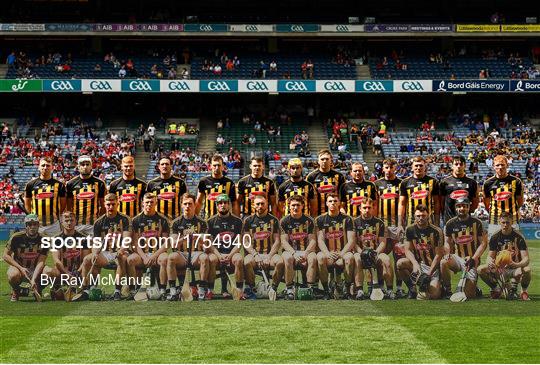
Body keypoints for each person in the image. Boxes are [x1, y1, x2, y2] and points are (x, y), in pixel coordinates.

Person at [79, 193, 132, 301]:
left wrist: (121, 250)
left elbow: (126, 240)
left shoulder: (125, 219)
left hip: (120, 252)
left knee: (122, 257)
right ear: (104, 204)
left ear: (118, 203)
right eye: (108, 204)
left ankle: (117, 291)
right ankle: (86, 289)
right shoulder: (99, 222)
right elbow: (96, 242)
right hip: (106, 253)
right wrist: (95, 252)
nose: (111, 207)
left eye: (113, 204)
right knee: (87, 259)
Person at [478, 212, 531, 301]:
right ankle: (496, 289)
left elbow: (526, 259)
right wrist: (490, 263)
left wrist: (517, 265)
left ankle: (523, 291)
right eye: (503, 222)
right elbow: (490, 256)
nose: (505, 225)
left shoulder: (519, 237)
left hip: (515, 269)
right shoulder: (495, 237)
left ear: (512, 222)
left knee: (527, 269)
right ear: (499, 222)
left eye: (507, 222)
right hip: (500, 269)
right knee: (480, 269)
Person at [441, 198, 487, 299]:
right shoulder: (450, 223)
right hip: (458, 259)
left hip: (472, 261)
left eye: (465, 206)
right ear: (455, 208)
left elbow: (483, 243)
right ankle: (447, 290)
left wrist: (474, 258)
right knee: (444, 261)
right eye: (459, 206)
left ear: (469, 207)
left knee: (469, 296)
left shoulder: (477, 222)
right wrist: (448, 253)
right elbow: (447, 242)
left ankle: (475, 288)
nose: (462, 208)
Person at [127, 193, 170, 300]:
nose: (149, 204)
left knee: (165, 258)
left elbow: (166, 244)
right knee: (131, 259)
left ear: (156, 203)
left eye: (151, 202)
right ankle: (134, 289)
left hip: (157, 254)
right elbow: (135, 243)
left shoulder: (163, 220)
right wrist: (144, 257)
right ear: (142, 203)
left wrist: (154, 256)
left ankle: (162, 290)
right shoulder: (135, 220)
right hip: (142, 254)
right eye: (147, 202)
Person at [397, 205, 444, 300]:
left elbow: (439, 255)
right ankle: (412, 289)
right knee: (400, 263)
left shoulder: (436, 231)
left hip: (433, 268)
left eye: (423, 215)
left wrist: (429, 274)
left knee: (434, 295)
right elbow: (407, 250)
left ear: (428, 216)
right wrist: (415, 264)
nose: (421, 218)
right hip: (419, 265)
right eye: (418, 216)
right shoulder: (410, 229)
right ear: (414, 216)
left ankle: (441, 287)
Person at [168, 193, 210, 301]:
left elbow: (206, 244)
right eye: (185, 204)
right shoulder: (175, 223)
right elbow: (174, 244)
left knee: (205, 258)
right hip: (182, 254)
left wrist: (195, 236)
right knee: (171, 257)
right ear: (181, 205)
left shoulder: (202, 222)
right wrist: (185, 238)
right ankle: (173, 291)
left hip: (196, 253)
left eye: (190, 204)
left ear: (195, 205)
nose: (187, 206)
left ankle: (201, 289)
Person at [374, 158, 405, 297]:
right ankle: (381, 285)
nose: (388, 170)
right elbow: (374, 205)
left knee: (398, 257)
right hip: (382, 226)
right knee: (381, 256)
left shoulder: (401, 184)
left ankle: (398, 287)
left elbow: (404, 204)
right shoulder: (376, 184)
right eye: (386, 167)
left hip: (397, 226)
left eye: (391, 167)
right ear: (382, 168)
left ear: (395, 169)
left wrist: (401, 225)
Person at [242, 196, 283, 300]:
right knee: (246, 262)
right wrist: (255, 255)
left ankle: (273, 288)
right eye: (257, 204)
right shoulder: (248, 220)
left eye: (262, 204)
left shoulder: (274, 220)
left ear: (267, 204)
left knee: (280, 262)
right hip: (254, 254)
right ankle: (252, 289)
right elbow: (246, 241)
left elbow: (277, 241)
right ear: (253, 205)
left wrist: (269, 257)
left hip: (270, 254)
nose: (260, 206)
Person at [315, 193, 355, 299]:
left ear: (339, 203)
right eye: (330, 201)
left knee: (350, 257)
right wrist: (328, 254)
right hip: (328, 254)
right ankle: (326, 290)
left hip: (343, 253)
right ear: (327, 203)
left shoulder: (347, 219)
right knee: (319, 257)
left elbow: (351, 241)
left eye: (335, 201)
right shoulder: (320, 220)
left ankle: (346, 288)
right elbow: (320, 240)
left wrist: (341, 254)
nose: (333, 203)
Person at [354, 198, 394, 299]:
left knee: (387, 259)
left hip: (376, 252)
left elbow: (383, 242)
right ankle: (360, 290)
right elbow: (353, 242)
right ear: (360, 208)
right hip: (360, 252)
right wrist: (362, 253)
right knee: (357, 258)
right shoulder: (354, 222)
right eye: (364, 208)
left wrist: (375, 252)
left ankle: (389, 290)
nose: (366, 210)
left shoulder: (379, 223)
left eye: (369, 207)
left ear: (373, 208)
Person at [42, 211, 89, 299]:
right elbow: (56, 261)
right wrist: (67, 274)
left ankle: (86, 289)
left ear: (76, 221)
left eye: (71, 220)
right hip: (62, 273)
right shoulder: (56, 239)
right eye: (66, 220)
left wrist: (77, 272)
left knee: (93, 269)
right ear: (61, 222)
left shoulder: (83, 238)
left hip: (78, 273)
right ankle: (57, 286)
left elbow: (85, 259)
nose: (69, 223)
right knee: (48, 272)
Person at [207, 194, 245, 299]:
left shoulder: (238, 221)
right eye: (220, 203)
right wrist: (219, 255)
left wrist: (230, 255)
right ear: (216, 205)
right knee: (211, 259)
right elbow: (209, 244)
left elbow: (238, 243)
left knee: (239, 259)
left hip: (232, 253)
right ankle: (210, 290)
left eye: (225, 203)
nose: (223, 205)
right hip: (217, 253)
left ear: (229, 205)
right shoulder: (210, 222)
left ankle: (239, 290)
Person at [280, 195, 318, 295]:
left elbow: (313, 241)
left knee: (313, 258)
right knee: (288, 258)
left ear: (302, 206)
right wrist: (294, 253)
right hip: (290, 251)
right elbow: (283, 242)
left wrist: (305, 253)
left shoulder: (309, 220)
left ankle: (310, 289)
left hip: (306, 250)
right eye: (293, 205)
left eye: (298, 205)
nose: (295, 207)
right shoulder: (284, 221)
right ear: (289, 206)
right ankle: (289, 289)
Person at [3, 214, 47, 301]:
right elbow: (5, 255)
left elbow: (41, 261)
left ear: (38, 225)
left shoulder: (44, 239)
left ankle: (38, 288)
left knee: (50, 272)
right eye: (29, 224)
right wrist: (21, 268)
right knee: (13, 275)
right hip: (19, 268)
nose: (32, 227)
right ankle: (16, 290)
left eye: (35, 224)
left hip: (35, 269)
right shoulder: (16, 237)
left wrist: (33, 279)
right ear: (25, 226)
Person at [483, 155, 523, 238]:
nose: (500, 167)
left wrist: (512, 211)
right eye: (497, 165)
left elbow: (520, 201)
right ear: (493, 166)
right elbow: (486, 203)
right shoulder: (488, 183)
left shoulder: (516, 181)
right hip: (495, 219)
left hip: (512, 218)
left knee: (514, 246)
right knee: (494, 246)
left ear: (507, 165)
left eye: (502, 165)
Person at [24, 157, 66, 237]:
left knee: (56, 248)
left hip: (54, 224)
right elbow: (27, 204)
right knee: (36, 248)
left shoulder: (59, 185)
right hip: (36, 225)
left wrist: (57, 216)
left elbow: (63, 204)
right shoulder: (30, 184)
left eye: (48, 165)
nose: (45, 168)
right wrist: (32, 217)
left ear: (52, 167)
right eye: (43, 165)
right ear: (38, 167)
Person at [66, 155, 106, 235]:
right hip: (76, 225)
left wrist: (99, 221)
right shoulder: (70, 183)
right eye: (82, 164)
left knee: (93, 247)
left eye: (87, 164)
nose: (85, 167)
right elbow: (68, 207)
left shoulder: (100, 183)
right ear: (78, 167)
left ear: (91, 166)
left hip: (93, 224)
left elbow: (103, 205)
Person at [398, 156, 440, 229]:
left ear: (425, 167)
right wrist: (400, 224)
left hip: (429, 222)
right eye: (416, 165)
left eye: (421, 165)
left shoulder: (433, 181)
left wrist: (437, 222)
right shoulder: (405, 182)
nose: (418, 168)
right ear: (412, 167)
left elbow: (436, 202)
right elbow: (402, 204)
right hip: (411, 222)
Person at [196, 155, 239, 219]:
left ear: (223, 167)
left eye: (219, 165)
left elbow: (234, 204)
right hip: (208, 220)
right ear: (210, 166)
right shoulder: (204, 181)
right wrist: (194, 219)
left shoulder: (229, 183)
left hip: (225, 220)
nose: (216, 167)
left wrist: (237, 220)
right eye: (214, 165)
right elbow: (199, 201)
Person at [439, 155, 479, 224]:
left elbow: (475, 202)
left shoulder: (472, 183)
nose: (458, 166)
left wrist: (467, 213)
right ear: (452, 166)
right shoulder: (444, 182)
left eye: (461, 164)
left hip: (466, 221)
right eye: (456, 164)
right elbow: (441, 202)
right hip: (449, 221)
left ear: (465, 166)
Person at [307, 149, 346, 217]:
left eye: (327, 159)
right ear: (318, 161)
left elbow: (343, 197)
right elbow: (308, 197)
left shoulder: (339, 176)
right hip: (317, 214)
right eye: (322, 159)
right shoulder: (311, 177)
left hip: (335, 215)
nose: (324, 161)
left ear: (331, 161)